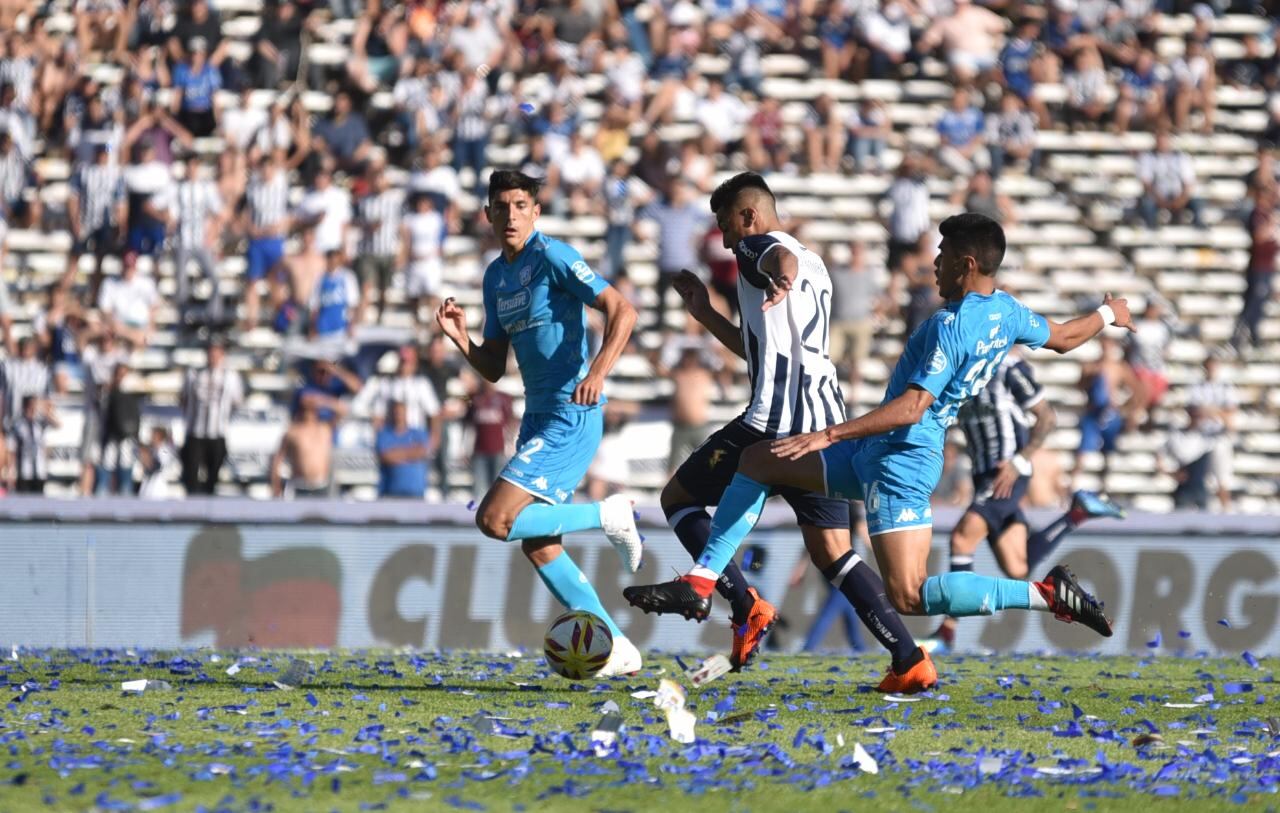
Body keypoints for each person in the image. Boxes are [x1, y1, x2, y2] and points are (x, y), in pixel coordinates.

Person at [625, 212, 1136, 694]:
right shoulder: (1008, 311)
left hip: (902, 461)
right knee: (757, 458)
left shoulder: (951, 325)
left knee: (909, 595)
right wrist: (1109, 312)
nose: (933, 263)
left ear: (968, 263)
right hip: (879, 451)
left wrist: (828, 435)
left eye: (942, 254)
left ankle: (1046, 595)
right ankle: (703, 579)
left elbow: (914, 407)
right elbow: (1068, 337)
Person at [633, 172, 861, 673]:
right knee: (834, 553)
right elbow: (756, 348)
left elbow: (776, 257)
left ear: (747, 216)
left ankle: (735, 599)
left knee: (678, 498)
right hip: (824, 422)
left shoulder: (760, 248)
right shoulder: (817, 265)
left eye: (726, 226)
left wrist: (778, 274)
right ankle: (909, 655)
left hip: (773, 421)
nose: (727, 239)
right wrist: (705, 313)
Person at [434, 169, 644, 677]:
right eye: (501, 206)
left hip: (572, 412)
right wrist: (462, 339)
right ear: (487, 213)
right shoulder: (494, 277)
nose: (511, 215)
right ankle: (618, 647)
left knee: (494, 519)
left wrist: (597, 373)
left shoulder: (553, 256)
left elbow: (623, 310)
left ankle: (608, 514)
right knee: (539, 543)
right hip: (537, 415)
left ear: (536, 211)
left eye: (521, 205)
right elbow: (494, 366)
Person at [923, 352, 1125, 653]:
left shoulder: (1007, 367)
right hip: (984, 477)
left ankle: (948, 631)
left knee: (962, 538)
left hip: (1007, 473)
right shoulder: (955, 372)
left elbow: (1046, 417)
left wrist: (1019, 461)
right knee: (1017, 568)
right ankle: (1076, 514)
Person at [180, 338, 243, 496]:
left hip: (217, 433)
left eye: (217, 351)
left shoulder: (230, 376)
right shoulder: (194, 374)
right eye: (211, 351)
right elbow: (184, 400)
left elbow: (237, 402)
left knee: (212, 477)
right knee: (191, 476)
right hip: (196, 433)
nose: (213, 355)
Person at [1186, 354, 1238, 510]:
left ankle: (1225, 508)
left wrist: (1209, 411)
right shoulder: (1197, 387)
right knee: (1201, 478)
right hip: (1200, 437)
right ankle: (1205, 509)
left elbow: (1230, 413)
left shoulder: (1226, 387)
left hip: (1219, 437)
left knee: (1222, 477)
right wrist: (1216, 411)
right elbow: (1194, 412)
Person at [270, 396, 335, 498]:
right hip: (299, 487)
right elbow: (277, 461)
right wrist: (276, 486)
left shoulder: (325, 429)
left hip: (321, 487)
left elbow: (343, 410)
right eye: (305, 409)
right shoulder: (292, 432)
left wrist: (323, 401)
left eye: (311, 409)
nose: (308, 413)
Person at [466, 377, 514, 500]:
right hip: (479, 449)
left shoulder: (503, 398)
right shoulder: (474, 398)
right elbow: (468, 424)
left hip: (498, 449)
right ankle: (475, 514)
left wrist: (510, 442)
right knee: (479, 487)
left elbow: (511, 421)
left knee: (496, 487)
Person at [376, 399, 430, 499]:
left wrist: (397, 452)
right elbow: (386, 456)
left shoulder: (418, 433)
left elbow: (422, 451)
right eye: (396, 412)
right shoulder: (384, 434)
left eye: (401, 412)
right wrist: (411, 452)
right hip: (390, 492)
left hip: (416, 492)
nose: (399, 415)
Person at [9, 394, 56, 494]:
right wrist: (11, 472)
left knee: (39, 504)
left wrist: (45, 411)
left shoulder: (40, 424)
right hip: (23, 473)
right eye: (33, 405)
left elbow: (57, 424)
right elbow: (12, 450)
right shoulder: (18, 425)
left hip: (39, 472)